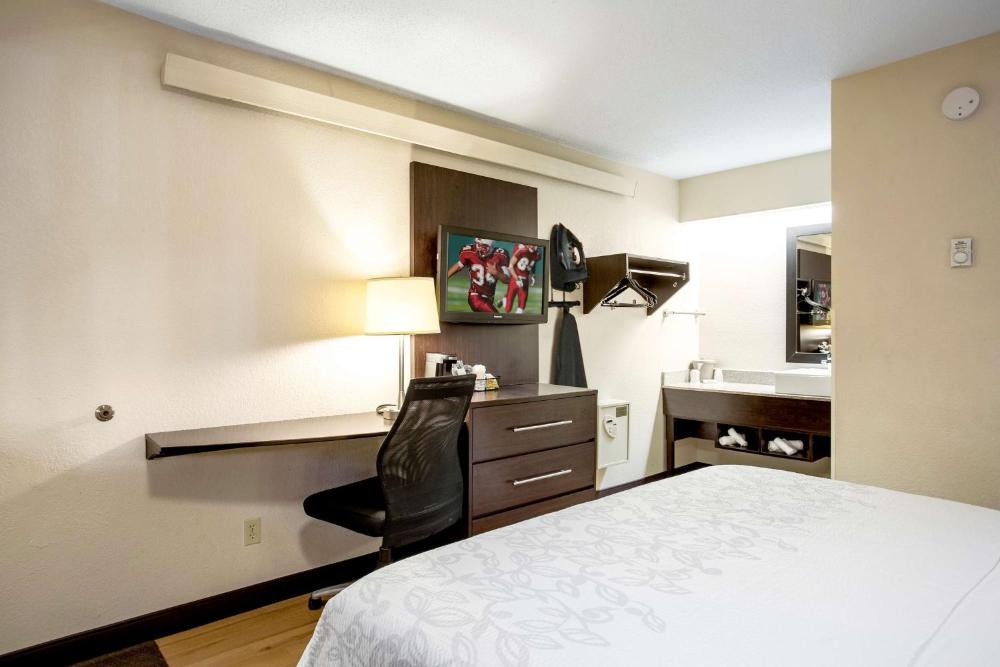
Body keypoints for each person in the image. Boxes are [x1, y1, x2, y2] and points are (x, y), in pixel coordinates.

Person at [446, 238, 510, 313]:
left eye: (483, 246)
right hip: (475, 297)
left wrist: (496, 273)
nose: (479, 248)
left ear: (491, 247)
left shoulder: (500, 255)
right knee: (496, 316)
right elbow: (458, 266)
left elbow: (507, 280)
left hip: (489, 299)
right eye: (478, 245)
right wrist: (442, 279)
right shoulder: (470, 252)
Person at [503, 243, 541, 313]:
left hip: (525, 280)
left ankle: (505, 298)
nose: (536, 247)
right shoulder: (521, 251)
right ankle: (505, 298)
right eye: (534, 245)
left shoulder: (536, 254)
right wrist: (517, 279)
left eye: (537, 245)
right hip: (515, 279)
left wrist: (533, 275)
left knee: (521, 308)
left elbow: (533, 264)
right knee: (508, 308)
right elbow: (510, 266)